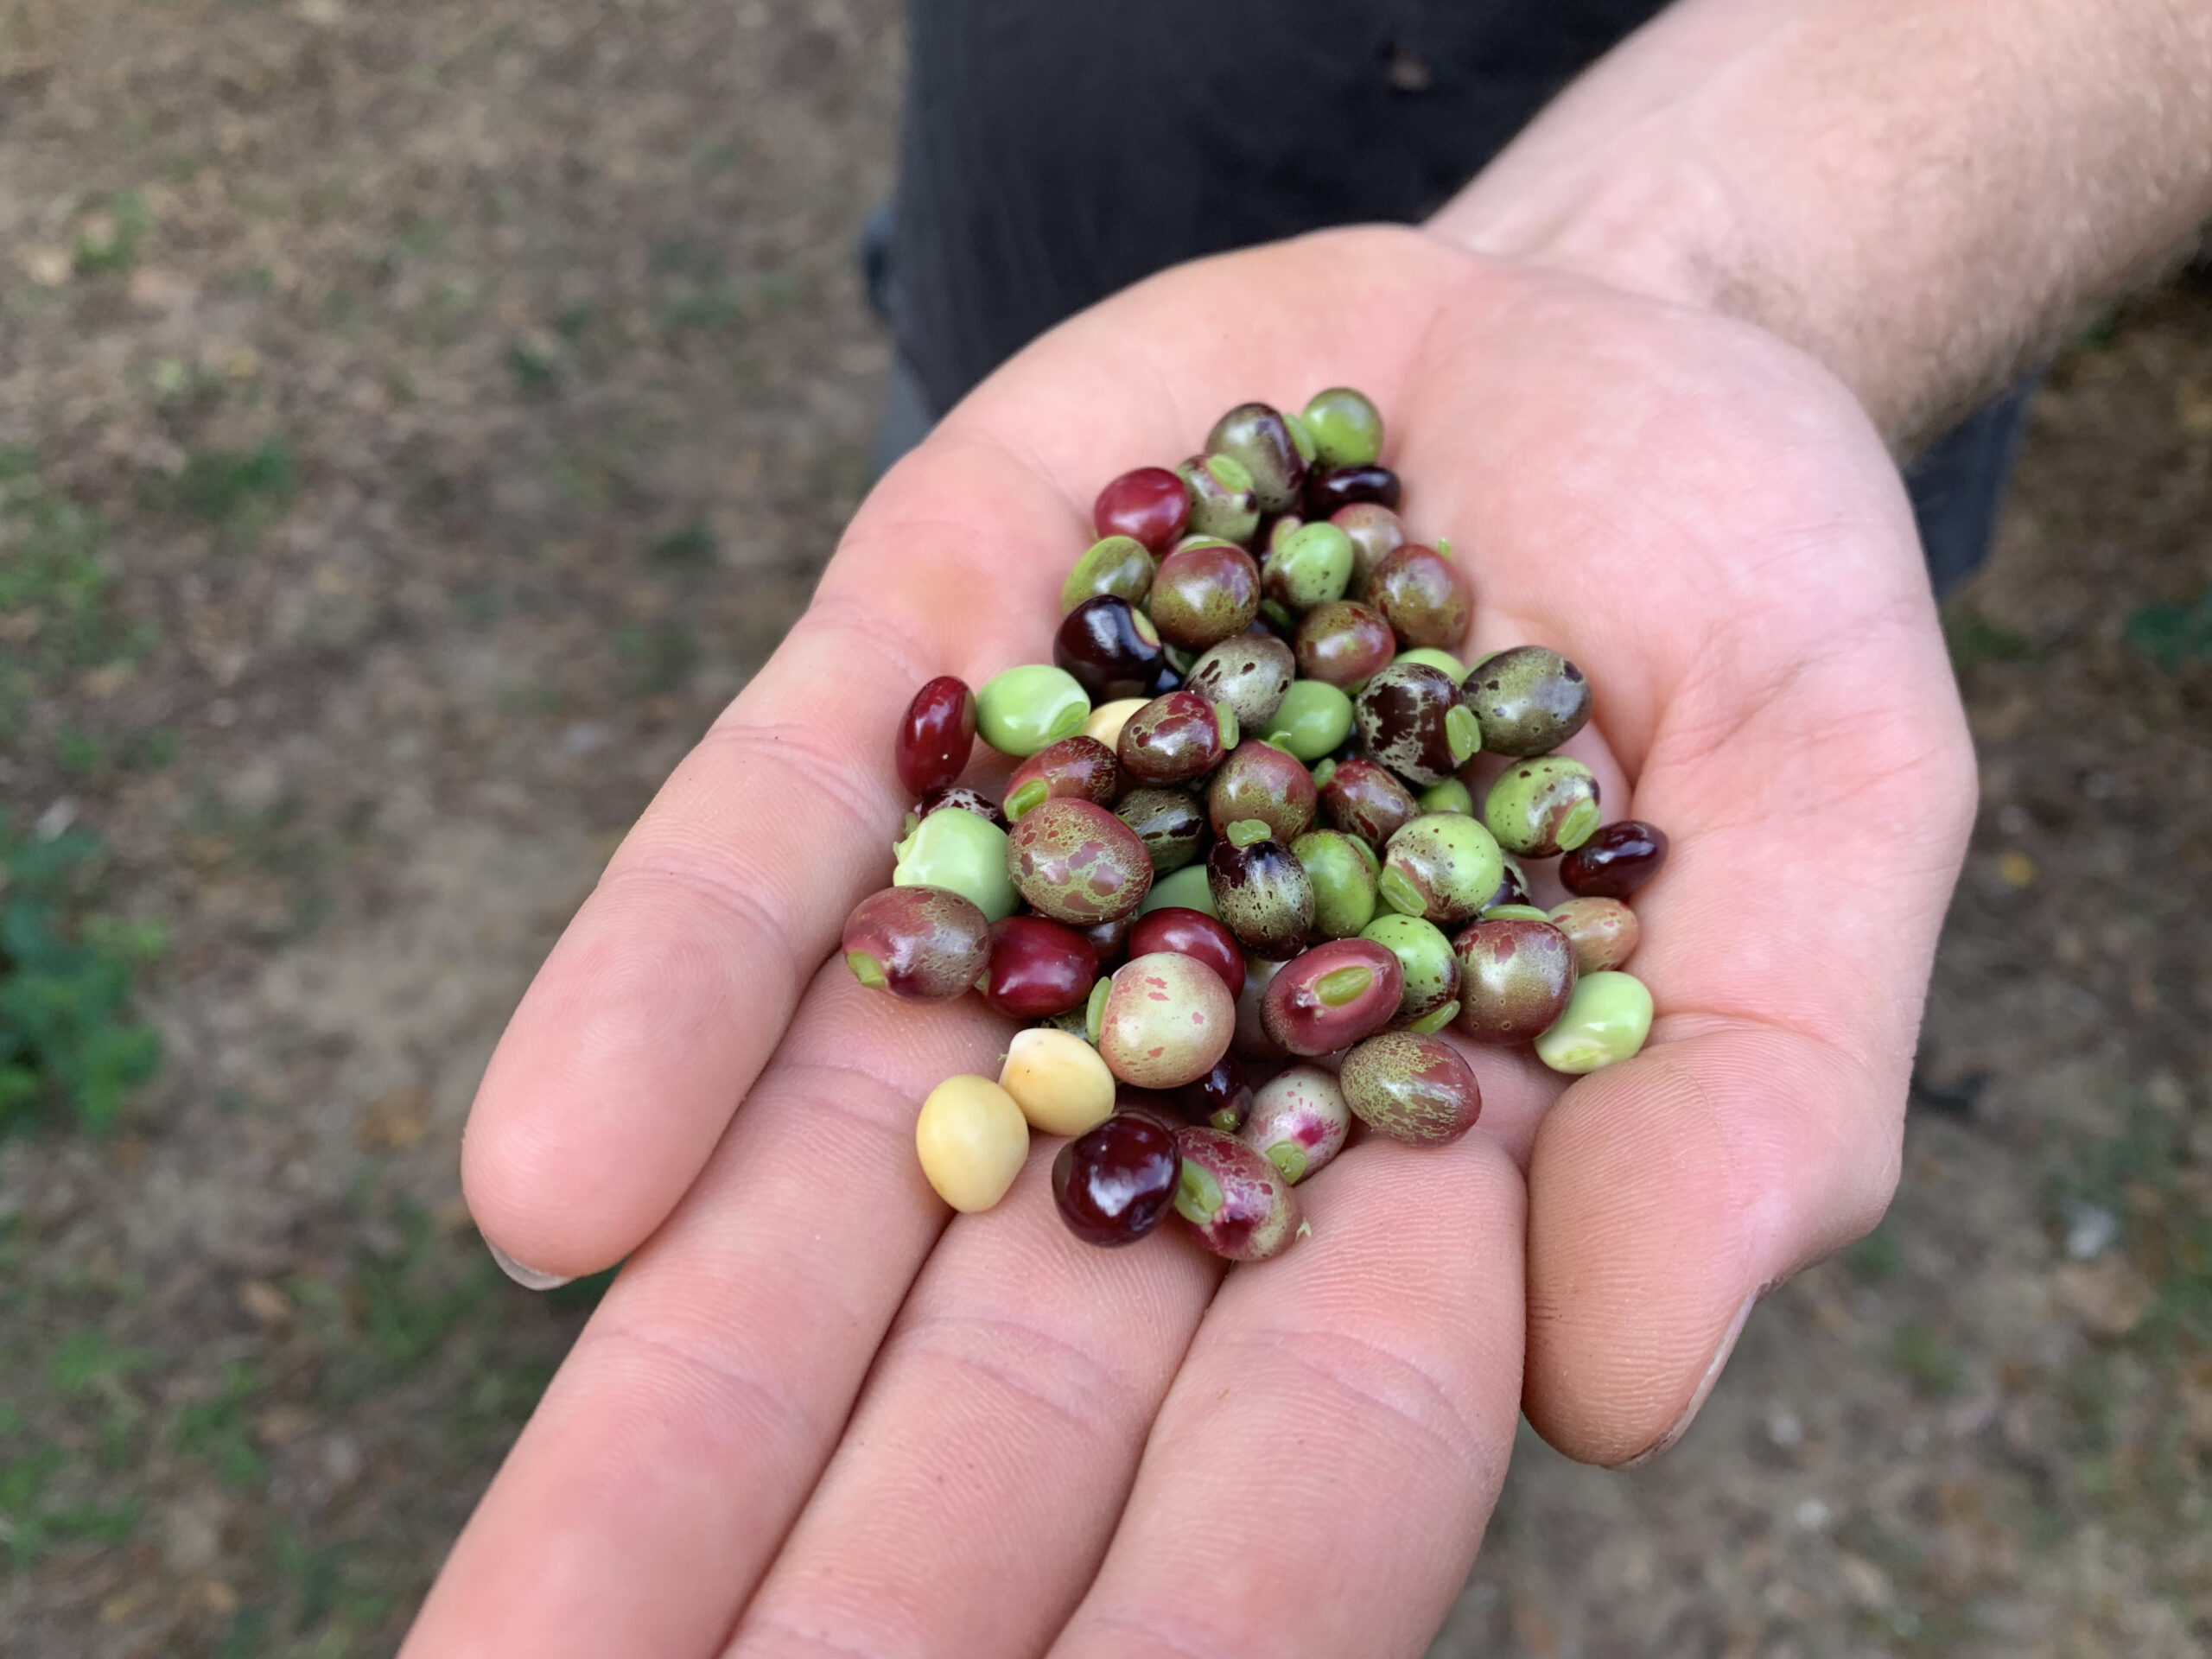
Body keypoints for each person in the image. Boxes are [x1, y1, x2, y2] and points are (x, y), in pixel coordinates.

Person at [404, 3, 2212, 1655]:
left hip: (1816, 224)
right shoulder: (1139, 760)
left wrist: (1710, 271)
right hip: (1040, 256)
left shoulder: (1325, 837)